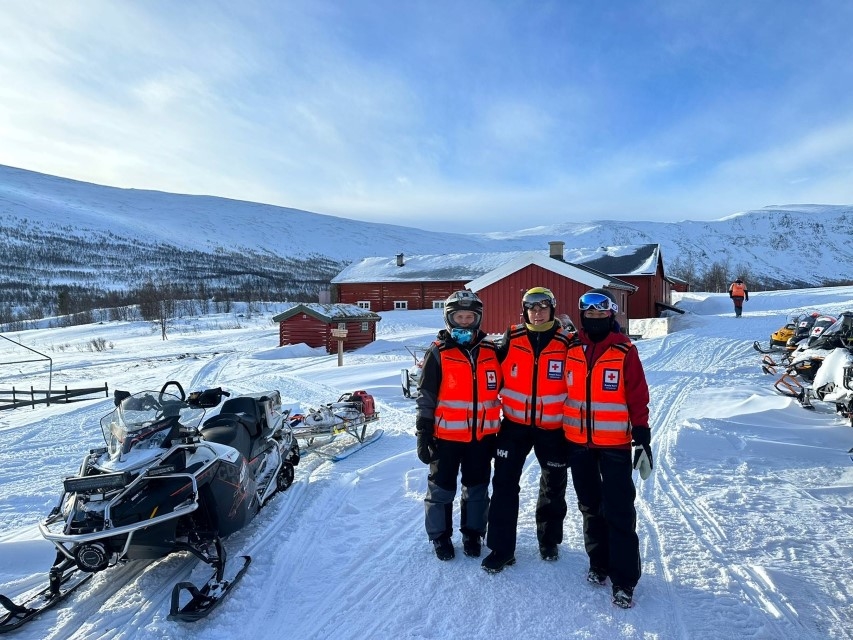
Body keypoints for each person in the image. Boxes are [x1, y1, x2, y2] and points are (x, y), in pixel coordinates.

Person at [562, 288, 651, 609]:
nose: (596, 317)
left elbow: (637, 394)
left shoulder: (625, 350)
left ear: (611, 315)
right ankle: (598, 563)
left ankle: (624, 580)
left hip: (615, 444)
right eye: (590, 313)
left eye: (602, 313)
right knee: (590, 507)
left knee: (619, 511)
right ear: (583, 315)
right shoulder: (571, 347)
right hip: (578, 443)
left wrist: (641, 434)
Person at [481, 287, 574, 573]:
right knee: (504, 485)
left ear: (552, 309)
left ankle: (549, 540)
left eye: (543, 307)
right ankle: (501, 549)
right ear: (524, 311)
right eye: (532, 308)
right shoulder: (512, 337)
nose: (537, 312)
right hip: (514, 426)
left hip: (553, 428)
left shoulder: (566, 341)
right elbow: (488, 369)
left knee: (553, 486)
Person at [415, 290, 503, 561]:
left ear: (478, 319)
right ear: (448, 319)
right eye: (459, 317)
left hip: (482, 438)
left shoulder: (491, 351)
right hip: (446, 437)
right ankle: (440, 536)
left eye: (469, 317)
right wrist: (423, 432)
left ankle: (473, 533)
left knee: (477, 488)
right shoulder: (438, 352)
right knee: (441, 489)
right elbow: (426, 396)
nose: (464, 322)